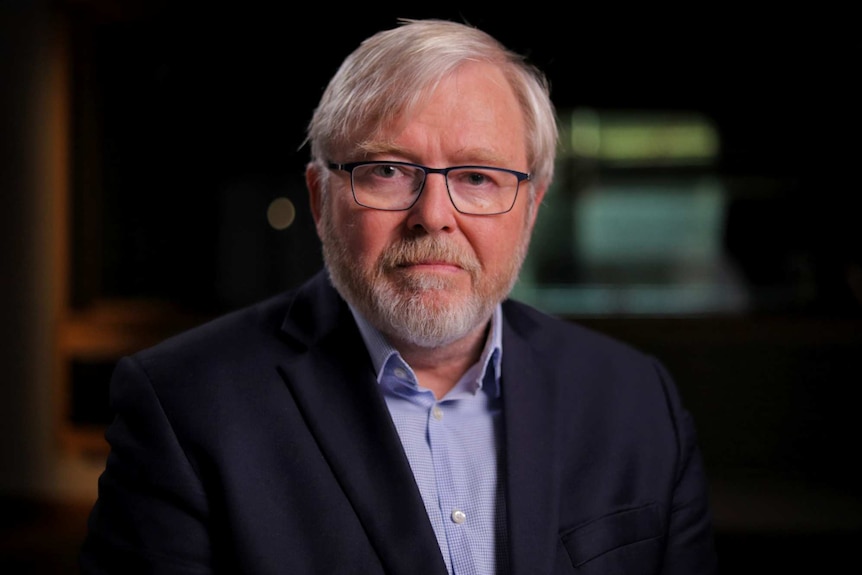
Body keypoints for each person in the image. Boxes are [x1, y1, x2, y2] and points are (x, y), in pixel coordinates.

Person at [79, 18, 719, 575]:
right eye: (387, 170)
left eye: (477, 176)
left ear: (531, 206)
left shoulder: (638, 399)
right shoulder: (183, 405)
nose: (433, 215)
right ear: (319, 199)